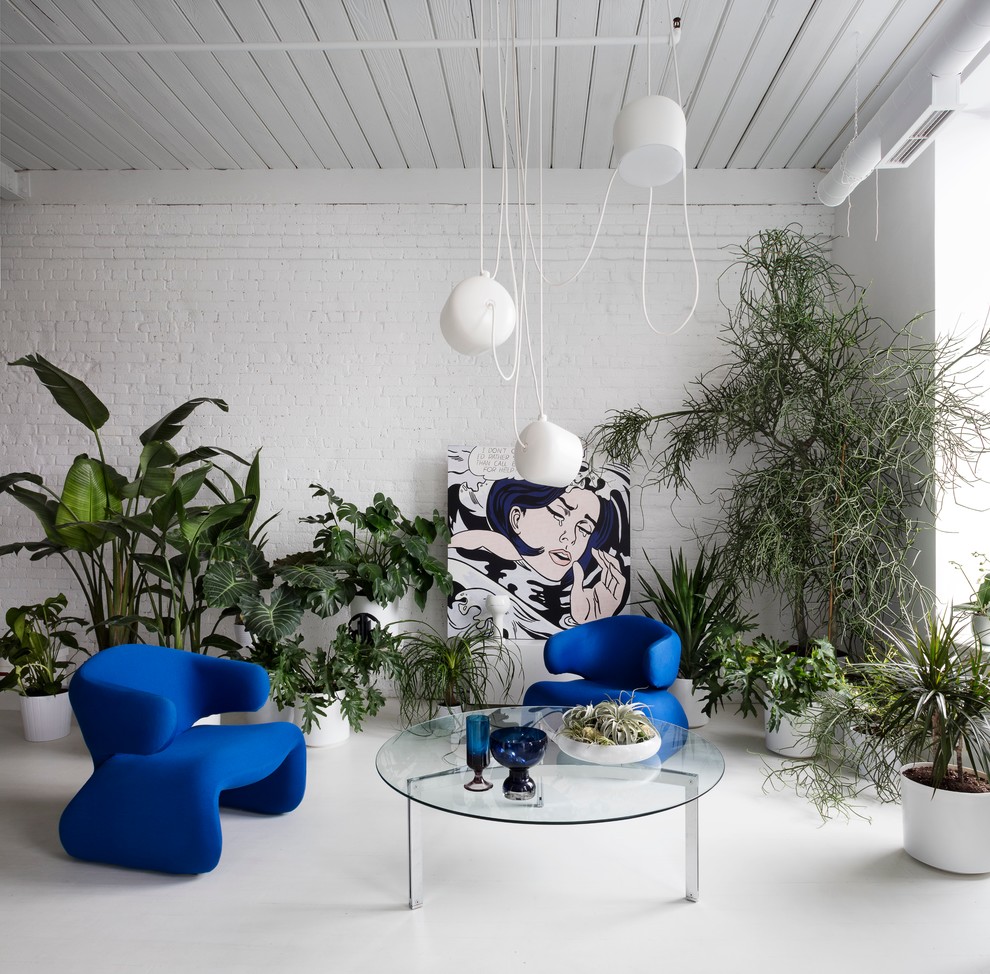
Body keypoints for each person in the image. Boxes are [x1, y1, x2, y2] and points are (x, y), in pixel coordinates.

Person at [451, 477, 627, 627]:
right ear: (516, 518)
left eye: (584, 529)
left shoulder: (572, 601)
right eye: (559, 515)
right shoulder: (468, 568)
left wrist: (593, 623)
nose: (570, 538)